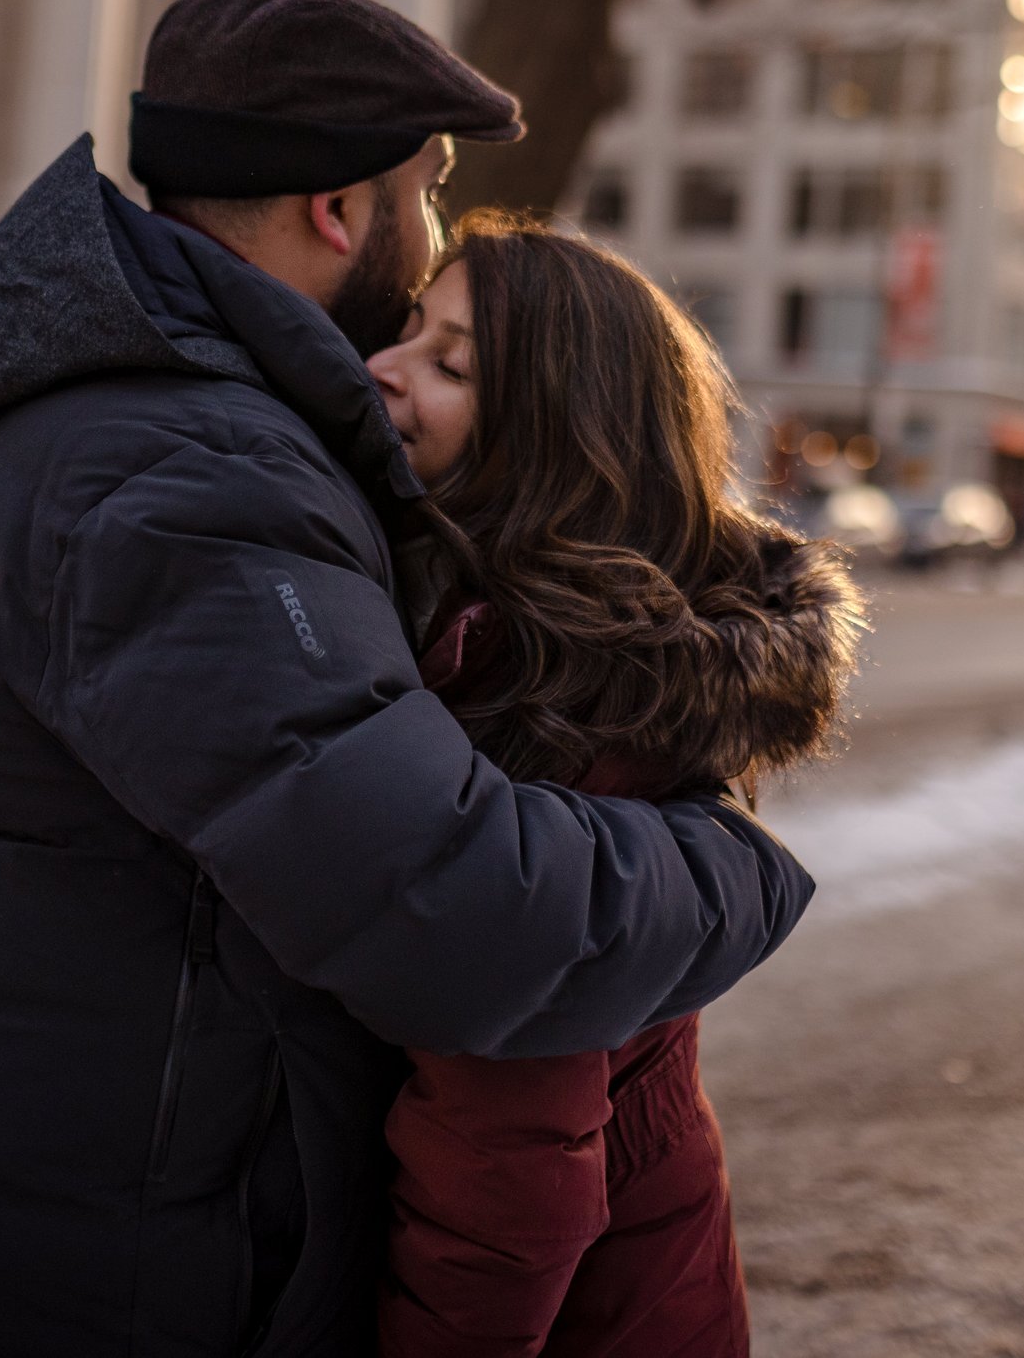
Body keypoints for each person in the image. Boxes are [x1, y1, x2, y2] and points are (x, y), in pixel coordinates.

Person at [0, 0, 815, 1357]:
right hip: (103, 1269)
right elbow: (458, 911)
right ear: (345, 210)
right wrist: (736, 864)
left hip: (80, 1220)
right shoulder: (185, 468)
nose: (436, 228)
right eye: (429, 187)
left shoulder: (169, 413)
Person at [364, 224, 864, 1356]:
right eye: (406, 330)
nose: (384, 368)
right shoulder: (512, 634)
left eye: (450, 366)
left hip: (605, 1305)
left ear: (551, 441)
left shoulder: (555, 696)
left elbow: (507, 1167)